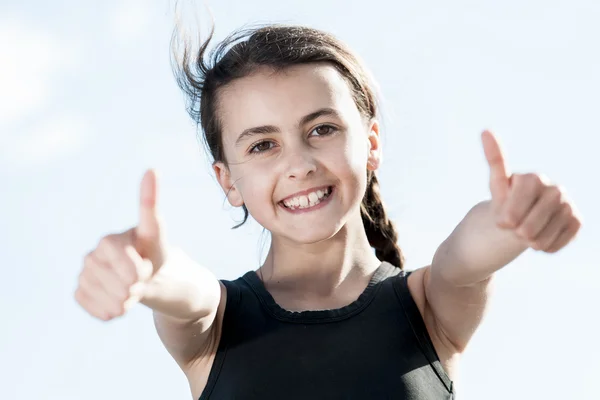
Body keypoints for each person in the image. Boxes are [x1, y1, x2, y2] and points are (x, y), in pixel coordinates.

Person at [74, 24, 582, 399]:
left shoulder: (429, 307)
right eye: (262, 145)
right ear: (228, 180)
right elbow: (185, 292)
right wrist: (149, 268)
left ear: (372, 143)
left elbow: (468, 255)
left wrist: (511, 220)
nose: (298, 164)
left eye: (321, 129)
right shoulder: (216, 325)